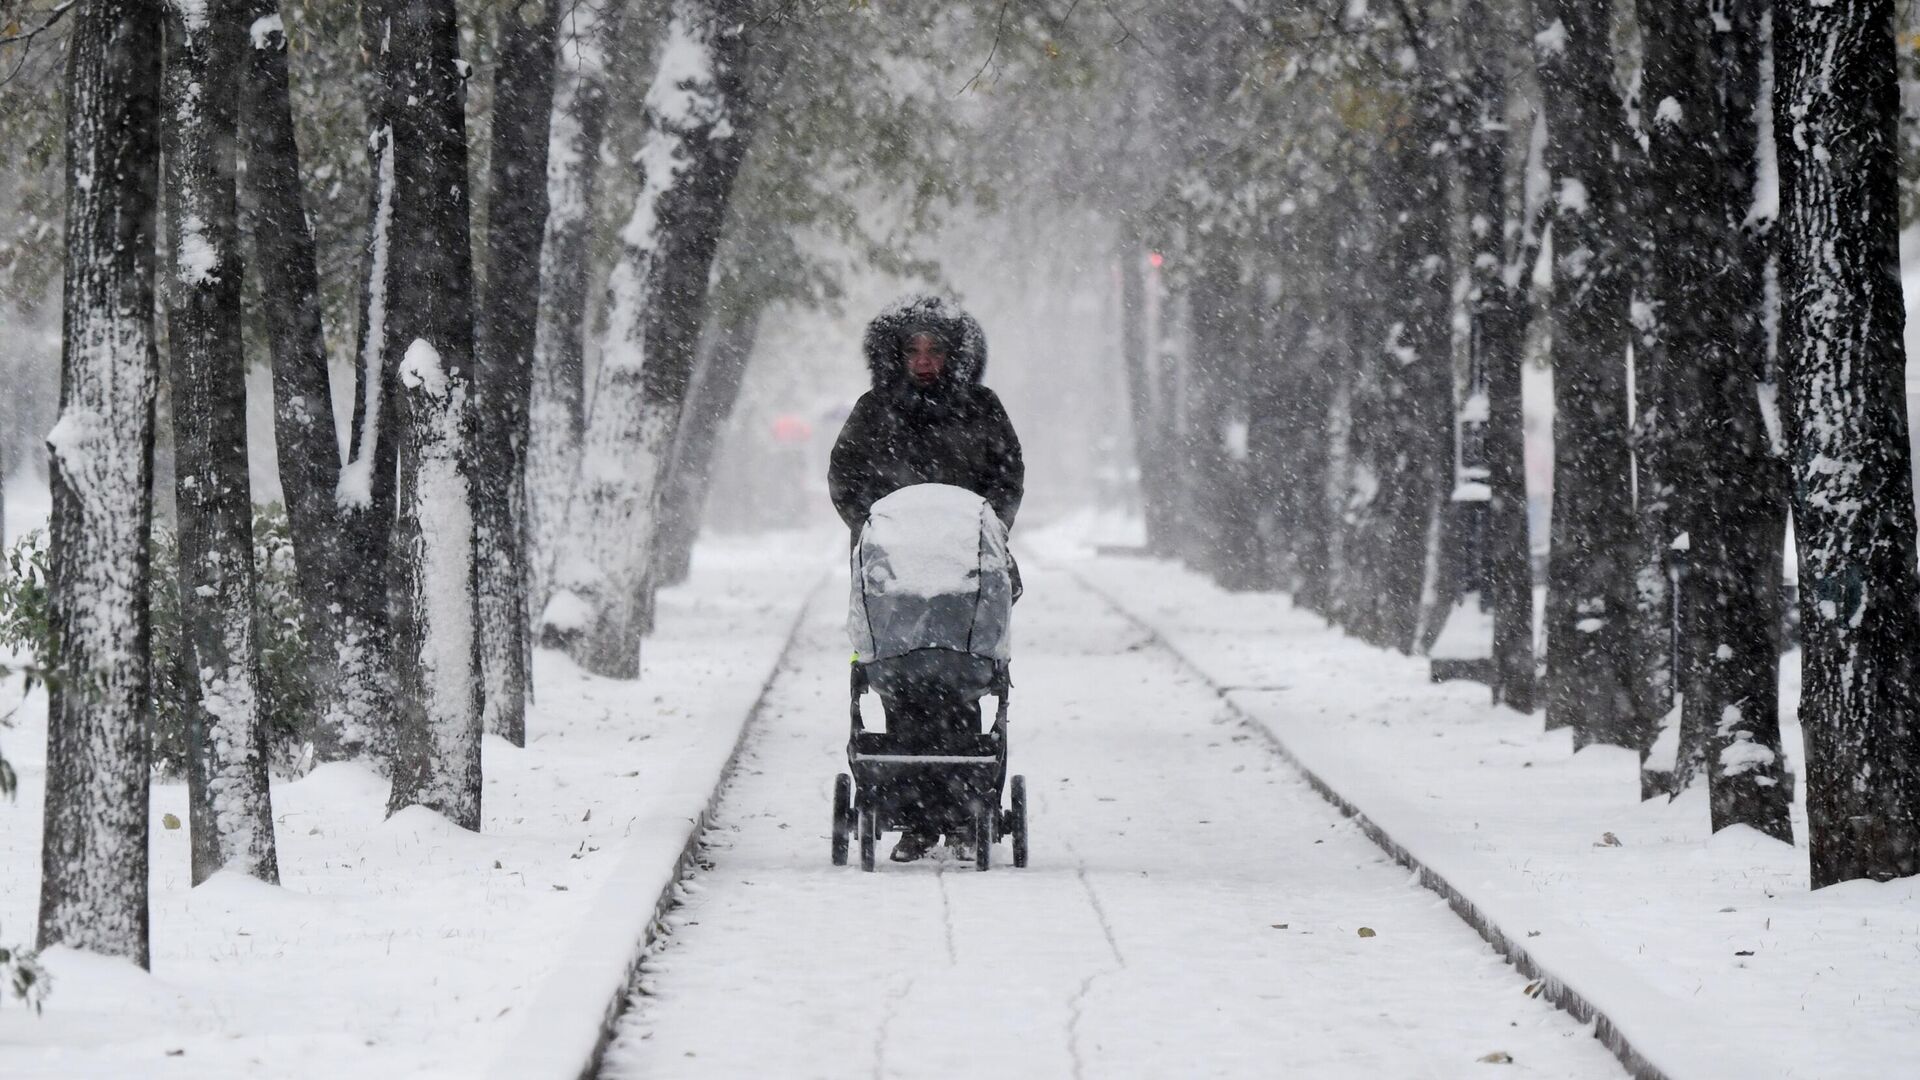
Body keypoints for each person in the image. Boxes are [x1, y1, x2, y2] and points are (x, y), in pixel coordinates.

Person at [829, 295, 1024, 863]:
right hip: (895, 574)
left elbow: (1006, 475)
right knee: (904, 694)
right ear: (894, 354)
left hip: (963, 572)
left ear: (954, 355)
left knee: (961, 690)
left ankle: (962, 814)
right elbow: (846, 478)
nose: (922, 360)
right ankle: (916, 816)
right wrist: (874, 527)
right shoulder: (874, 411)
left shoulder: (981, 410)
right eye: (912, 349)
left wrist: (988, 528)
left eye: (934, 349)